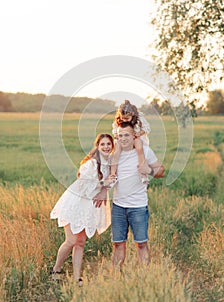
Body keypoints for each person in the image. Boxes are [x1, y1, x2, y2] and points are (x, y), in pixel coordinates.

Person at [50, 133, 116, 286]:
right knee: (71, 240)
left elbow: (113, 180)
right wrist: (103, 184)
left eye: (108, 144)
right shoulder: (91, 164)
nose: (106, 147)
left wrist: (105, 188)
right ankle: (56, 269)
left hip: (90, 207)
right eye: (103, 144)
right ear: (97, 147)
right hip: (76, 203)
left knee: (80, 242)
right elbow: (85, 185)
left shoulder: (110, 163)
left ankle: (76, 278)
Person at [111, 122, 165, 268]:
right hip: (118, 207)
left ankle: (143, 277)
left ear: (134, 135)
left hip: (138, 207)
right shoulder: (115, 153)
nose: (123, 138)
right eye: (120, 135)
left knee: (141, 243)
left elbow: (161, 171)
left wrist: (150, 171)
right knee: (118, 244)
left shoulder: (145, 151)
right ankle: (115, 278)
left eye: (127, 135)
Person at [111, 100, 151, 184]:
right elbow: (115, 128)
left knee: (139, 148)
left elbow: (146, 128)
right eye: (123, 118)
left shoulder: (139, 118)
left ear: (132, 115)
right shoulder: (118, 118)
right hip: (123, 138)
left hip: (136, 137)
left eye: (127, 118)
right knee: (116, 150)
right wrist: (116, 135)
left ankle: (143, 173)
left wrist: (138, 134)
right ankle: (113, 174)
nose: (125, 120)